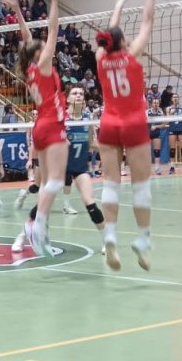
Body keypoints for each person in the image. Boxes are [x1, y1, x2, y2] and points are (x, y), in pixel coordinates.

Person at [93, 0, 158, 271]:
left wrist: (117, 4)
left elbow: (108, 33)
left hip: (108, 123)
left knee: (110, 184)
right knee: (141, 186)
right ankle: (143, 240)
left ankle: (110, 235)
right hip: (133, 123)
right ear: (123, 42)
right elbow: (148, 19)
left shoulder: (100, 59)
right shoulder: (132, 55)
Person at [2, 0, 66, 256]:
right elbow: (53, 29)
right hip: (52, 125)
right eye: (41, 46)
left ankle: (39, 227)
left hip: (39, 126)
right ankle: (35, 225)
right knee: (55, 182)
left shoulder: (29, 68)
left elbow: (26, 37)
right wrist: (54, 1)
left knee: (46, 185)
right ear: (40, 53)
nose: (42, 44)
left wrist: (17, 10)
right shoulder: (43, 64)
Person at [14, 86, 108, 253]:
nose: (78, 95)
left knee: (90, 203)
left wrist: (110, 149)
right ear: (69, 99)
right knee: (42, 206)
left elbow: (91, 143)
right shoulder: (61, 118)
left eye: (81, 93)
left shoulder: (87, 120)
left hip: (80, 168)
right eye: (74, 93)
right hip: (59, 168)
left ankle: (106, 240)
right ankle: (21, 236)